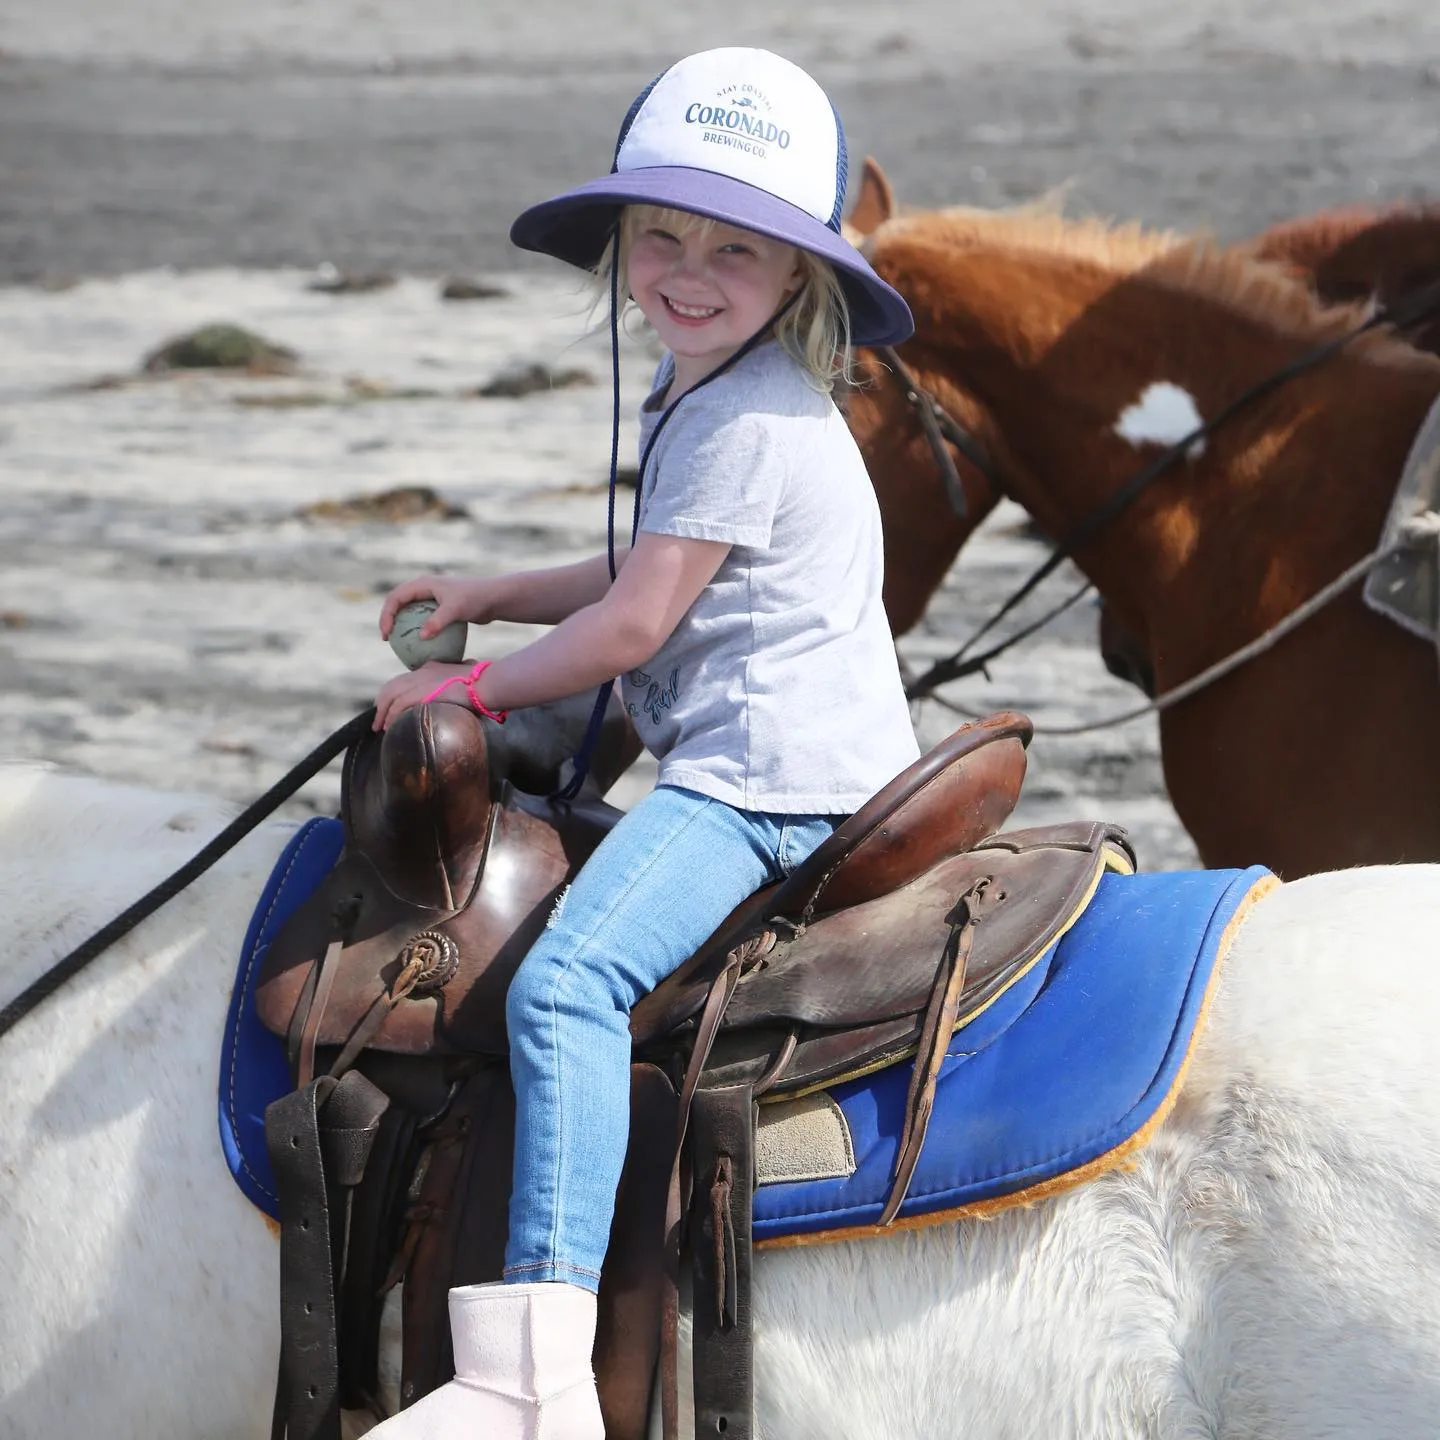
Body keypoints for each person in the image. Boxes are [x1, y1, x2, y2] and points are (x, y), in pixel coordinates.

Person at [367, 46, 919, 1440]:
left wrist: (481, 691)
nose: (687, 270)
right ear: (621, 245)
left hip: (764, 787)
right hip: (773, 757)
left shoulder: (743, 417)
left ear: (797, 276)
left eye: (734, 249)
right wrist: (495, 591)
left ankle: (530, 1375)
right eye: (660, 234)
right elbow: (634, 573)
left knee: (564, 991)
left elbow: (630, 633)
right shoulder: (723, 394)